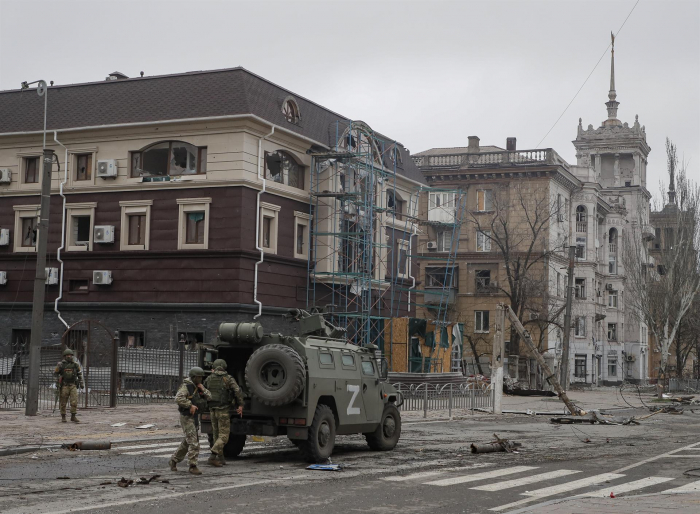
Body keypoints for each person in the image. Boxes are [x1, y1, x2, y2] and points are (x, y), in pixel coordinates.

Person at [169, 367, 212, 475]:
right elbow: (178, 399)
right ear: (194, 377)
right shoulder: (186, 386)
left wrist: (203, 389)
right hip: (187, 417)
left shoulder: (197, 387)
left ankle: (174, 460)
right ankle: (193, 465)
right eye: (199, 377)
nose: (201, 379)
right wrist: (190, 405)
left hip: (194, 417)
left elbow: (210, 397)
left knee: (187, 442)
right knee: (193, 442)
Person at [204, 359, 244, 467]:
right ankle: (213, 456)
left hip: (212, 410)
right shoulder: (228, 378)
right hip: (223, 410)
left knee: (216, 435)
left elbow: (204, 390)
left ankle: (221, 459)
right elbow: (237, 391)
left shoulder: (209, 378)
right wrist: (240, 405)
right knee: (224, 437)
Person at [54, 348, 84, 423]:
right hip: (64, 385)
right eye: (67, 355)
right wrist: (57, 382)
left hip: (73, 385)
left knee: (74, 401)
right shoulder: (61, 365)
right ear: (64, 356)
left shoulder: (75, 365)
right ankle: (63, 416)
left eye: (70, 355)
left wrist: (81, 383)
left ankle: (73, 416)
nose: (69, 356)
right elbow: (55, 374)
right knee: (63, 402)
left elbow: (79, 374)